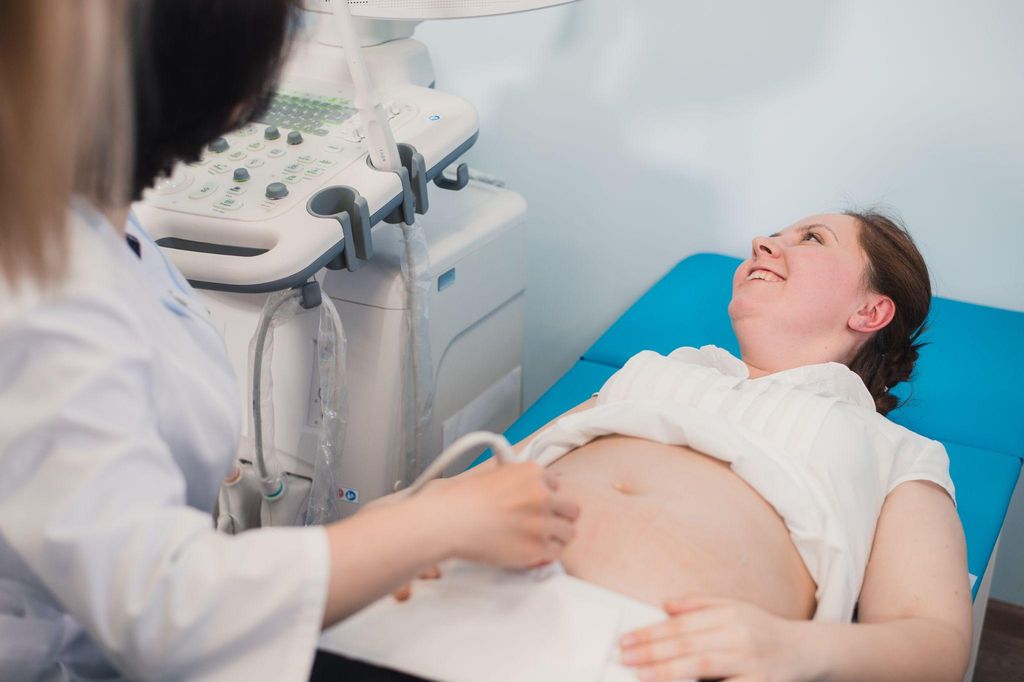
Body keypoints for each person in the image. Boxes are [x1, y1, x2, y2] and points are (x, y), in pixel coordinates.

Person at [0, 1, 578, 680]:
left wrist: (385, 531)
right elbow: (163, 608)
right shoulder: (39, 292)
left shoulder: (86, 220)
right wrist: (434, 523)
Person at [380, 210, 971, 682]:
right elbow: (488, 479)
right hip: (461, 591)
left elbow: (935, 643)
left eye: (811, 237)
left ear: (870, 310)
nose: (763, 243)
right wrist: (402, 517)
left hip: (647, 654)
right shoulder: (656, 369)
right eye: (773, 233)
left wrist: (794, 648)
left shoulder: (894, 448)